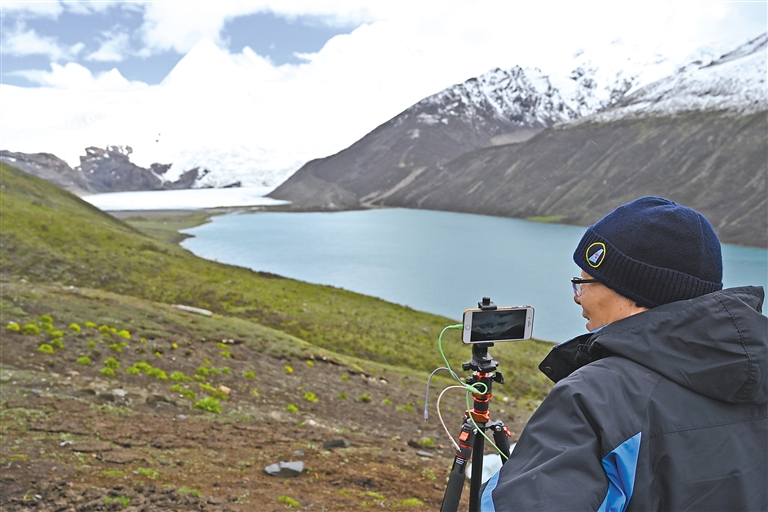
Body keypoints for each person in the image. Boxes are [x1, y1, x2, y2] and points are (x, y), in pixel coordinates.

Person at [481, 196, 767, 512]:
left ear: (633, 291)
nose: (577, 298)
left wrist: (508, 477)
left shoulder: (596, 398)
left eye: (582, 282)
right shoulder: (758, 376)